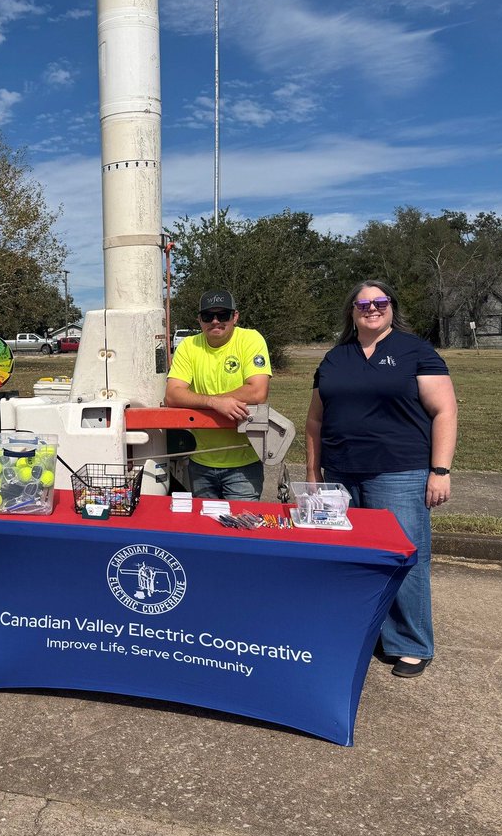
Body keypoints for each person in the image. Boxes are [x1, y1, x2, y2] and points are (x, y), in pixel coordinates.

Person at [304, 280, 457, 679]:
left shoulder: (415, 351)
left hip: (400, 473)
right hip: (340, 475)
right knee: (351, 558)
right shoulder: (335, 357)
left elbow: (445, 411)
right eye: (363, 304)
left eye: (380, 302)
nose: (372, 309)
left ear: (391, 307)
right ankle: (363, 632)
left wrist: (440, 470)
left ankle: (410, 642)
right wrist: (312, 473)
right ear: (351, 311)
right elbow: (315, 420)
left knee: (403, 556)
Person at [165, 290, 272, 500]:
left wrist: (204, 400)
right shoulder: (189, 346)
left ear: (235, 316)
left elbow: (258, 392)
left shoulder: (251, 339)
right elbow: (173, 395)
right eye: (208, 316)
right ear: (199, 319)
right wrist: (215, 402)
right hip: (201, 461)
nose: (215, 321)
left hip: (243, 463)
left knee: (242, 528)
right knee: (205, 530)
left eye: (222, 315)